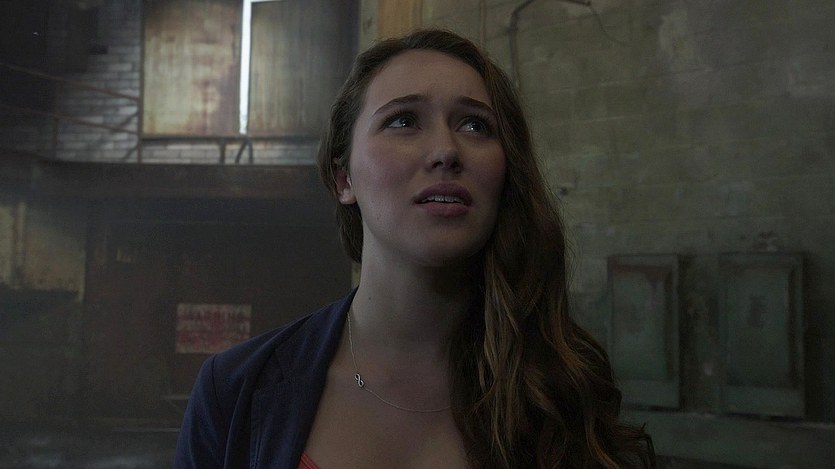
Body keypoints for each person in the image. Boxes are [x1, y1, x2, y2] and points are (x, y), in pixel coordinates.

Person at [174, 29, 655, 468]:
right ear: (344, 178)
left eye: (475, 125)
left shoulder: (563, 385)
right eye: (403, 120)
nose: (446, 150)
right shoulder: (236, 391)